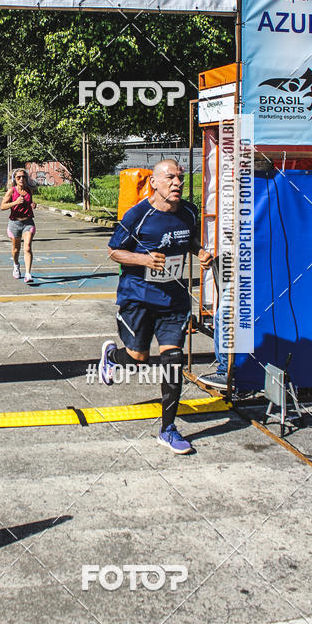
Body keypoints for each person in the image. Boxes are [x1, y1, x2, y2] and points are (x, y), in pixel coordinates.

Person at [99, 159, 213, 454]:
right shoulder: (138, 215)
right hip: (137, 297)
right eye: (171, 178)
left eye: (180, 178)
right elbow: (114, 252)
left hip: (173, 300)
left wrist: (200, 252)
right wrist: (144, 260)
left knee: (173, 361)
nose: (177, 183)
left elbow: (190, 240)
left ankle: (168, 429)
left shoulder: (188, 211)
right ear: (154, 182)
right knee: (137, 358)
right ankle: (112, 357)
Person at [1, 169, 37, 283]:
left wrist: (33, 204)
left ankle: (28, 274)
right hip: (14, 223)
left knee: (27, 247)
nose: (22, 179)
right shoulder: (11, 191)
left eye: (24, 177)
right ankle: (16, 265)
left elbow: (30, 202)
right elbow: (2, 206)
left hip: (28, 222)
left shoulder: (29, 190)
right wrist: (15, 202)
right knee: (16, 249)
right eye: (19, 177)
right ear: (14, 179)